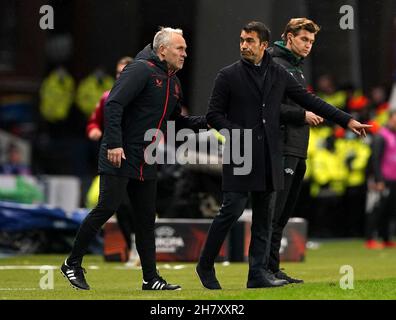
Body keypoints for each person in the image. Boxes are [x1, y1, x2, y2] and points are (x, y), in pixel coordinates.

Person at [196, 21, 371, 290]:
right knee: (231, 211)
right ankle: (205, 265)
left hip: (269, 152)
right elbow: (214, 116)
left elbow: (310, 101)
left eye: (250, 41)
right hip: (241, 152)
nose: (244, 45)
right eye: (242, 40)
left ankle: (257, 274)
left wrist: (346, 120)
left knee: (265, 217)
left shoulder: (278, 73)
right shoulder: (227, 75)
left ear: (263, 45)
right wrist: (236, 133)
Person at [61, 27, 207, 291]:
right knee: (107, 208)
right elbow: (113, 104)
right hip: (121, 153)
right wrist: (114, 144)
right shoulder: (140, 69)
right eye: (180, 49)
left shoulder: (173, 81)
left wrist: (210, 120)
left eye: (185, 49)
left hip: (146, 158)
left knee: (146, 219)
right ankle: (72, 263)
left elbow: (177, 121)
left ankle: (150, 278)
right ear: (163, 50)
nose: (186, 53)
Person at [266, 18, 323, 283]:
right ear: (289, 37)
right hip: (283, 146)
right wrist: (302, 114)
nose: (308, 45)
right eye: (303, 39)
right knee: (274, 211)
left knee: (283, 213)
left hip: (298, 148)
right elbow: (268, 107)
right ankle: (264, 269)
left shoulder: (295, 67)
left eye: (311, 41)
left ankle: (272, 268)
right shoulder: (276, 64)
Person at [86, 56, 140, 265]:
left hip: (138, 159)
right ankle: (131, 248)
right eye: (118, 73)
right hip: (113, 159)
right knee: (118, 205)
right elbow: (93, 122)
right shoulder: (107, 97)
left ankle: (140, 249)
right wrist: (94, 131)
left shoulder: (142, 98)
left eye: (124, 73)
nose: (121, 77)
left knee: (139, 205)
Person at [365, 110, 396, 249]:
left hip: (393, 179)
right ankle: (370, 239)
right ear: (390, 119)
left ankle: (386, 238)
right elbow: (375, 160)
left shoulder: (394, 135)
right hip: (382, 180)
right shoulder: (381, 136)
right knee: (377, 209)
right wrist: (378, 180)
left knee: (389, 210)